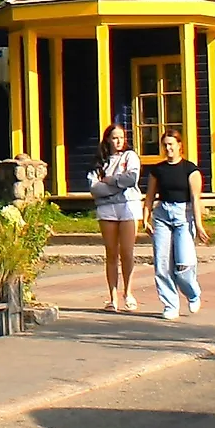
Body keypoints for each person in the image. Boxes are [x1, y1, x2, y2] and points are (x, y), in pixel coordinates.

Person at [140, 131, 209, 321]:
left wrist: (199, 225)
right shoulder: (157, 170)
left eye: (172, 144)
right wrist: (145, 218)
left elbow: (195, 199)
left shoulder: (190, 170)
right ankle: (170, 304)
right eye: (165, 145)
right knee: (162, 263)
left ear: (180, 145)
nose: (168, 149)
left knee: (184, 263)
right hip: (162, 215)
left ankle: (193, 293)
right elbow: (150, 196)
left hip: (183, 216)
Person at [88, 124, 142, 311]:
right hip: (107, 208)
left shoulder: (130, 156)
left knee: (127, 252)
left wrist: (111, 181)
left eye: (121, 137)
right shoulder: (100, 162)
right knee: (111, 252)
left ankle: (128, 292)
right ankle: (112, 296)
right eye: (114, 138)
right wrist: (116, 186)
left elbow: (131, 179)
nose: (118, 141)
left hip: (128, 205)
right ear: (108, 139)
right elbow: (94, 188)